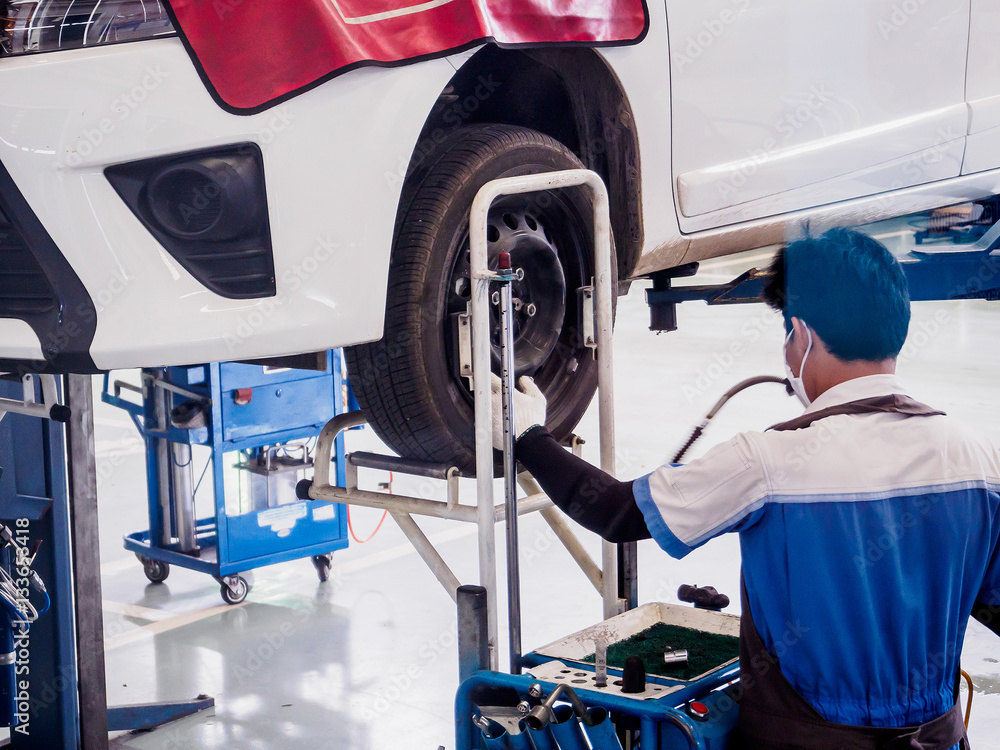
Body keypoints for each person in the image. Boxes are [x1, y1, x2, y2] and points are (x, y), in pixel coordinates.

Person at [491, 228, 1000, 749]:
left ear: (800, 334)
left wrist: (528, 435)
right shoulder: (980, 459)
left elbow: (618, 513)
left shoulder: (771, 460)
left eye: (786, 336)